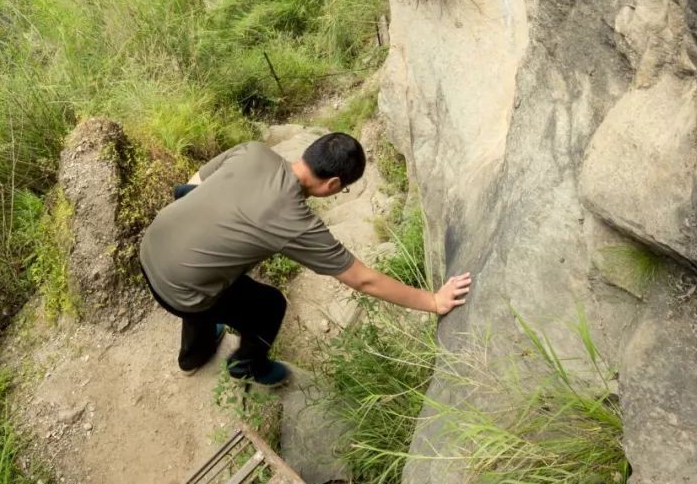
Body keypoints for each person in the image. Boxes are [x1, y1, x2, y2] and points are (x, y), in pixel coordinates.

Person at [138, 131, 472, 388]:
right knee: (269, 306)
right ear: (333, 184)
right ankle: (246, 366)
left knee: (208, 273)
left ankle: (192, 357)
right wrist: (433, 301)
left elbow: (192, 185)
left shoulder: (253, 151)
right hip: (181, 290)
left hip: (152, 246)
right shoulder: (296, 222)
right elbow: (362, 279)